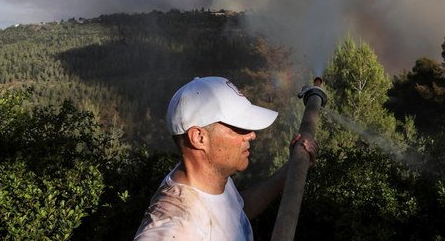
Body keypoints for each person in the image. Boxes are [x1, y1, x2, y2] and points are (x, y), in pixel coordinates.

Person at [133, 76, 317, 241]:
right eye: (240, 127)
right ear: (199, 138)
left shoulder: (212, 178)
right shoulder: (176, 228)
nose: (252, 135)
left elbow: (238, 212)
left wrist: (291, 169)